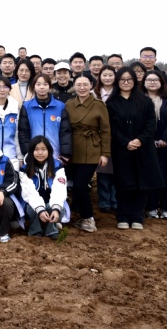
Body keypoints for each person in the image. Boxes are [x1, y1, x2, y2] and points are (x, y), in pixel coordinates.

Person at [107, 67, 164, 230]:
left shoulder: (145, 101)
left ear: (135, 81)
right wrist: (126, 142)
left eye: (129, 79)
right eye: (122, 79)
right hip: (121, 149)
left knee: (142, 183)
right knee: (124, 183)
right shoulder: (111, 103)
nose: (126, 82)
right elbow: (111, 127)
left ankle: (138, 217)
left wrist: (140, 140)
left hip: (143, 149)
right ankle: (123, 216)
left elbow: (151, 124)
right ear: (117, 81)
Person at [65, 74, 110, 233]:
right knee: (74, 185)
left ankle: (88, 218)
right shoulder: (69, 104)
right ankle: (75, 215)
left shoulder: (99, 105)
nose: (82, 88)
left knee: (80, 184)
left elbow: (105, 130)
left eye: (85, 84)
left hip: (92, 148)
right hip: (72, 149)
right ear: (74, 86)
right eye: (78, 85)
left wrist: (105, 153)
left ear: (91, 85)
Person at [143, 71, 167, 221]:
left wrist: (166, 138)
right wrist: (146, 140)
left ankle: (166, 208)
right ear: (144, 82)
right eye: (149, 80)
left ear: (161, 82)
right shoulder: (139, 99)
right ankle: (151, 207)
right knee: (150, 176)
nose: (152, 82)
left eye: (155, 80)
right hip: (146, 145)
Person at [19, 136, 67, 240]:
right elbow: (29, 193)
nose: (40, 153)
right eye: (36, 149)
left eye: (43, 149)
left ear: (49, 150)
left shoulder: (57, 166)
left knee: (60, 207)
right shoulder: (25, 168)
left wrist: (56, 208)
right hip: (32, 204)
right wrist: (40, 209)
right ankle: (35, 230)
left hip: (50, 202)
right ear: (31, 151)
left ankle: (51, 229)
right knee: (31, 208)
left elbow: (59, 189)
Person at [18, 74, 72, 164]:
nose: (42, 87)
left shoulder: (60, 106)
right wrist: (28, 153)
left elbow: (65, 132)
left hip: (55, 155)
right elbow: (23, 132)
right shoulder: (27, 106)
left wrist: (65, 154)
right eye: (38, 84)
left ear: (50, 87)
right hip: (34, 154)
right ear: (33, 87)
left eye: (45, 84)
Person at [94, 66, 118, 213]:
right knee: (103, 169)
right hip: (100, 137)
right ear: (100, 77)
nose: (107, 78)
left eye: (110, 75)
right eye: (104, 75)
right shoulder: (94, 94)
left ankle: (115, 200)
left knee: (116, 171)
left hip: (118, 136)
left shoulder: (119, 93)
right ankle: (104, 201)